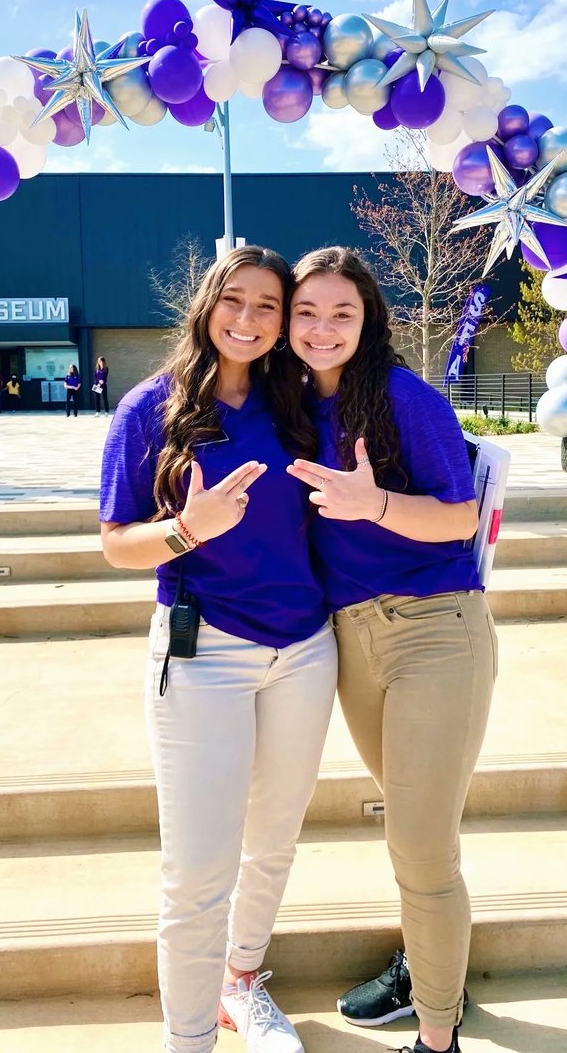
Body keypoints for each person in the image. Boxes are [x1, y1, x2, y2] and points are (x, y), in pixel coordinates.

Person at [99, 245, 336, 1053]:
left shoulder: (300, 402)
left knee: (273, 839)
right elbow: (116, 544)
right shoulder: (149, 408)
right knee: (198, 871)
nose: (249, 318)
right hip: (205, 654)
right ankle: (190, 1039)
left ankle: (241, 986)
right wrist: (187, 530)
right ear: (207, 305)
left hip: (305, 649)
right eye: (234, 300)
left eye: (269, 305)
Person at [286, 248, 495, 1053]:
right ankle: (429, 964)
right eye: (307, 313)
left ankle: (437, 1038)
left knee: (418, 841)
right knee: (418, 825)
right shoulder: (294, 403)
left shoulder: (405, 399)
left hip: (434, 633)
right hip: (351, 640)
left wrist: (370, 501)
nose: (322, 328)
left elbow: (456, 519)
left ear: (368, 319)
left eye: (342, 313)